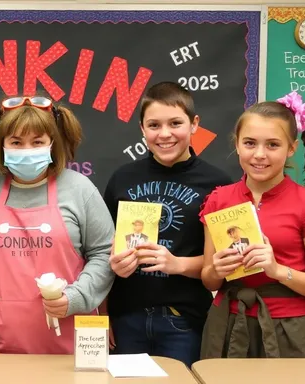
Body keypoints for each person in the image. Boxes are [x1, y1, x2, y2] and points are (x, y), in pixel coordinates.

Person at [199, 91, 305, 358]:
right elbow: (208, 279)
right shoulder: (218, 200)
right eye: (250, 143)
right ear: (237, 144)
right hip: (226, 324)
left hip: (289, 329)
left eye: (273, 145)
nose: (259, 154)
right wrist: (216, 270)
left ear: (291, 148)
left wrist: (277, 270)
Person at [102, 81, 232, 367]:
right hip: (126, 320)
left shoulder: (218, 184)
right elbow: (100, 253)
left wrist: (178, 264)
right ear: (142, 129)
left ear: (194, 124)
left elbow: (227, 262)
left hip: (184, 320)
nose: (164, 134)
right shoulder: (122, 179)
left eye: (175, 123)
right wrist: (103, 313)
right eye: (154, 125)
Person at [0, 95, 115, 354]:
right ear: (1, 144)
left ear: (52, 143)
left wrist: (75, 297)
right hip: (3, 338)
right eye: (16, 142)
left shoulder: (80, 189)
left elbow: (105, 253)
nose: (27, 150)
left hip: (72, 340)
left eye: (37, 142)